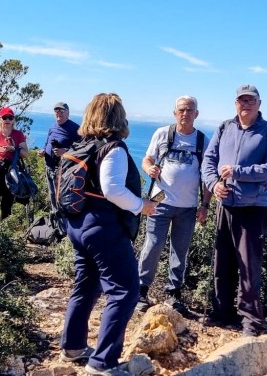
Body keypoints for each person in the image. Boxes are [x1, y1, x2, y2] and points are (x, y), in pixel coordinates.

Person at [59, 93, 156, 376]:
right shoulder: (113, 148)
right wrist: (143, 206)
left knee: (87, 284)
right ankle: (102, 363)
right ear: (118, 118)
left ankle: (73, 346)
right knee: (125, 290)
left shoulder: (82, 145)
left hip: (77, 224)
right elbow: (112, 189)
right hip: (102, 226)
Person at [200, 84, 267, 337]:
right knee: (222, 262)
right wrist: (214, 185)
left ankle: (250, 321)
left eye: (250, 100)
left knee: (248, 265)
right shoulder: (225, 128)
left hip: (252, 207)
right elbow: (208, 161)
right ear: (235, 103)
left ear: (259, 103)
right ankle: (222, 312)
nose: (245, 104)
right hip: (225, 205)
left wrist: (238, 172)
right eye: (241, 100)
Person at [135, 95, 211, 314]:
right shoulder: (162, 134)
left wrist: (205, 205)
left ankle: (173, 293)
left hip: (188, 207)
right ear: (174, 113)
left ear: (196, 114)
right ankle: (141, 290)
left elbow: (208, 175)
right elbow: (147, 159)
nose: (185, 114)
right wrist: (149, 168)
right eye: (181, 110)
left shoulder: (202, 141)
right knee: (153, 245)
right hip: (159, 203)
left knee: (181, 250)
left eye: (189, 110)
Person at [43, 101, 80, 208]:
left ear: (68, 113)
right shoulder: (52, 127)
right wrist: (43, 150)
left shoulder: (75, 128)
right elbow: (47, 143)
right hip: (49, 167)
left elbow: (82, 149)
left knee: (61, 196)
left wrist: (66, 151)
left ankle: (63, 219)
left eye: (61, 110)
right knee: (52, 195)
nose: (58, 112)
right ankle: (56, 218)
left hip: (62, 170)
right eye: (56, 110)